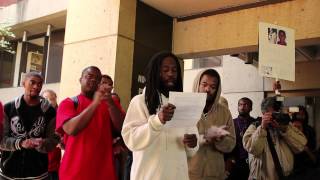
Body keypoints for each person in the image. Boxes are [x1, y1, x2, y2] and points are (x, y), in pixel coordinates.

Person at [121, 51, 199, 180]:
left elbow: (191, 150)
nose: (171, 74)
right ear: (155, 72)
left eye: (174, 70)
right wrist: (158, 121)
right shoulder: (139, 102)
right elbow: (131, 140)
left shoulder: (183, 103)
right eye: (165, 70)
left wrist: (193, 143)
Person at [56, 66, 124, 180]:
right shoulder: (69, 103)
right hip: (73, 173)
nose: (93, 80)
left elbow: (123, 127)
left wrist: (111, 104)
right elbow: (71, 129)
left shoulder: (110, 103)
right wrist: (94, 104)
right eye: (89, 77)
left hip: (104, 172)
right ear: (80, 79)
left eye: (97, 79)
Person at [0, 72, 58, 180]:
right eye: (32, 82)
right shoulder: (8, 108)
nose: (36, 86)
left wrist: (42, 143)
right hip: (9, 173)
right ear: (23, 83)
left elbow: (53, 141)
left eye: (40, 84)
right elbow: (1, 140)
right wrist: (21, 143)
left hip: (38, 174)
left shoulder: (49, 112)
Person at [243, 96, 307, 180]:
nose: (276, 117)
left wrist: (284, 130)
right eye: (273, 114)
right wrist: (262, 128)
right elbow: (253, 149)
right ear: (264, 113)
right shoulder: (254, 126)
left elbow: (301, 146)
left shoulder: (286, 126)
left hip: (286, 177)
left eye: (278, 113)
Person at [188, 69, 236, 180]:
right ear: (197, 84)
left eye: (213, 87)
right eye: (204, 84)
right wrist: (203, 138)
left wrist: (220, 140)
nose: (207, 89)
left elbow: (231, 144)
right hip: (188, 174)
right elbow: (175, 140)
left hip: (215, 175)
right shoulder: (186, 107)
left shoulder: (224, 112)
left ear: (217, 89)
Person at [100, 74, 128, 180]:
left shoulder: (114, 103)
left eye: (110, 84)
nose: (107, 86)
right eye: (104, 83)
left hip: (111, 156)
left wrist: (118, 141)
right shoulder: (83, 102)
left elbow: (123, 127)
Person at [225, 97, 255, 180]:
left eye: (245, 105)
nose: (242, 107)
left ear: (251, 108)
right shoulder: (231, 123)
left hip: (252, 162)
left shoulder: (255, 123)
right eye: (240, 105)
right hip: (235, 162)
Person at [41, 89, 61, 180]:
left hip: (54, 161)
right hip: (39, 160)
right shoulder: (38, 113)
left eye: (51, 99)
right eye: (46, 99)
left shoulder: (61, 113)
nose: (49, 101)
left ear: (56, 99)